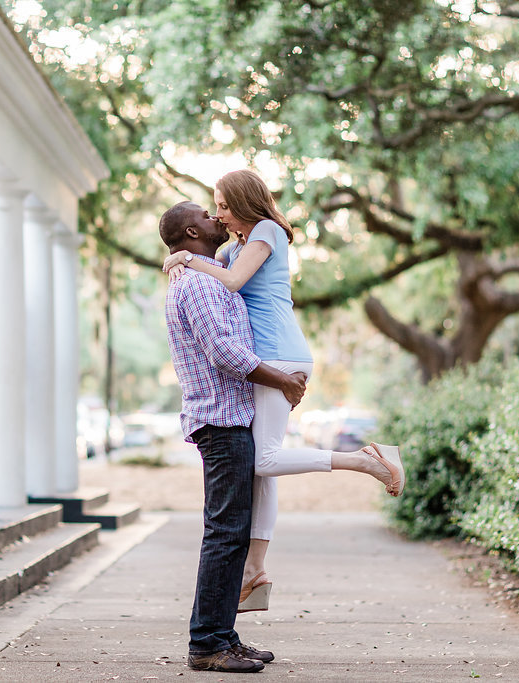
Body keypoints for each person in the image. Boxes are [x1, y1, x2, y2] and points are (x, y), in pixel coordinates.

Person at [163, 170, 405, 613]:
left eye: (222, 204)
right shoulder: (236, 246)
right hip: (269, 357)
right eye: (212, 208)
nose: (218, 213)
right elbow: (217, 274)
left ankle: (366, 460)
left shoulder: (268, 232)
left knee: (266, 459)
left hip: (278, 355)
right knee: (263, 467)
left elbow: (232, 282)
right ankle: (255, 572)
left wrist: (184, 259)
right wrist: (185, 258)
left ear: (243, 201)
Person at [160, 200, 308, 673]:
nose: (217, 218)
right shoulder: (199, 283)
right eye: (208, 214)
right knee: (224, 535)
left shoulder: (208, 270)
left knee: (230, 533)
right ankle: (206, 644)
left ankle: (222, 634)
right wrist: (280, 379)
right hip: (221, 421)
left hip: (230, 416)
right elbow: (225, 352)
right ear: (190, 230)